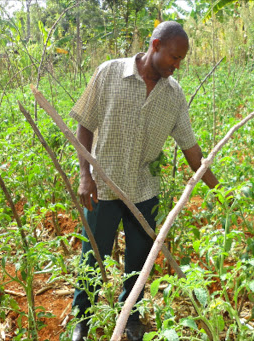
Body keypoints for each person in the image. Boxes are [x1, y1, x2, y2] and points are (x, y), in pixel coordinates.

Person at [69, 21, 220, 341]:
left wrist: (221, 191)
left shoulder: (173, 95)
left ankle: (132, 316)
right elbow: (85, 126)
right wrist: (85, 176)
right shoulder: (109, 73)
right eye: (173, 57)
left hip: (144, 190)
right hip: (103, 186)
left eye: (182, 59)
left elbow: (192, 150)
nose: (177, 65)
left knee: (140, 260)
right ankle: (82, 320)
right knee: (93, 256)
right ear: (155, 45)